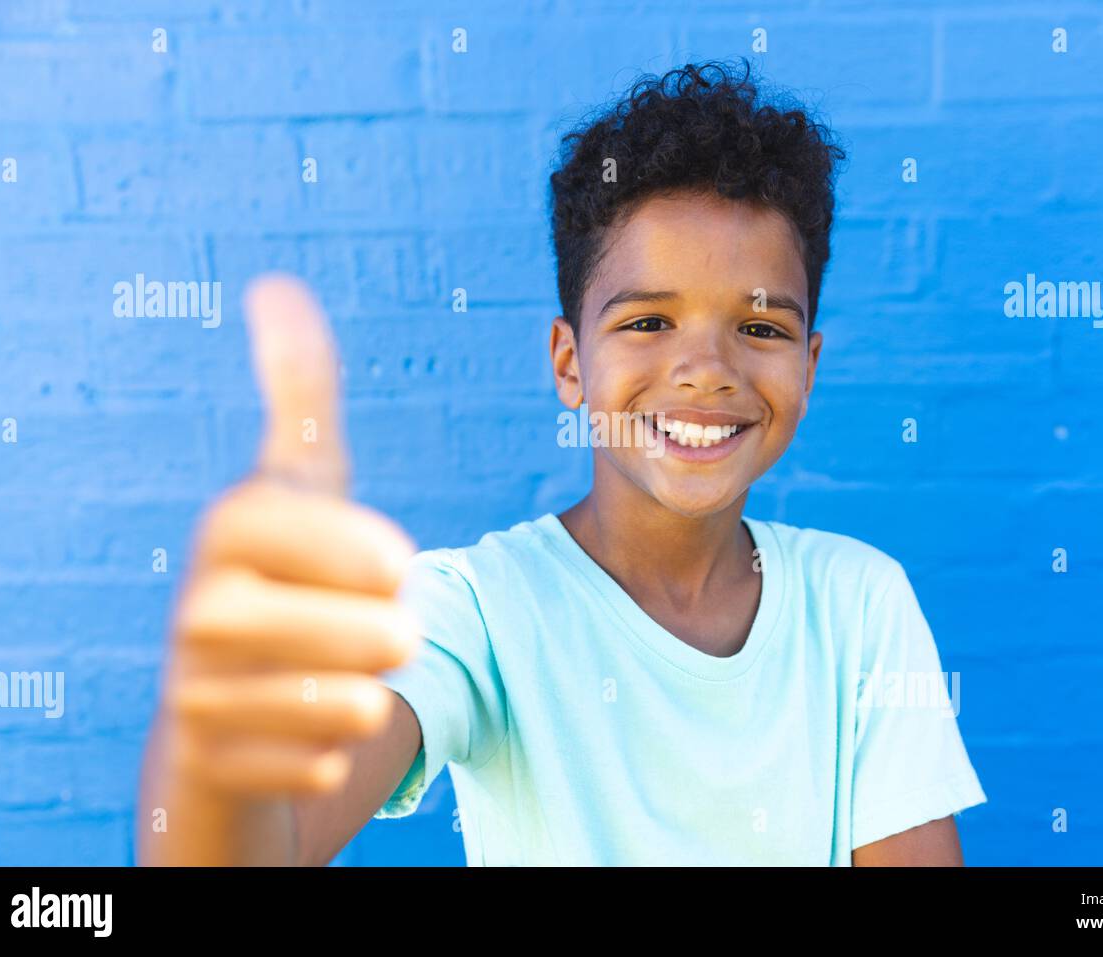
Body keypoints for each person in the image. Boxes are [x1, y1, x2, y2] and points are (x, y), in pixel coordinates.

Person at [136, 60, 987, 866]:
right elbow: (273, 841)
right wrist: (215, 753)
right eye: (648, 322)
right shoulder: (474, 609)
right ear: (570, 363)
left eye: (760, 328)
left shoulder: (860, 604)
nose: (708, 369)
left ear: (809, 364)